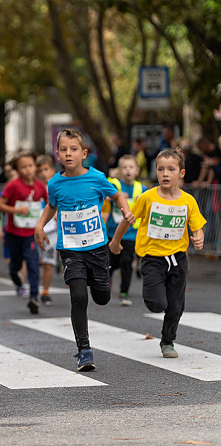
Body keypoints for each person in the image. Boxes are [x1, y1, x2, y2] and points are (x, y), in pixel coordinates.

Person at [35, 128, 135, 372]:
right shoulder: (55, 183)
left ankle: (96, 278)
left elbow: (116, 194)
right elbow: (51, 205)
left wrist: (124, 209)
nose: (68, 154)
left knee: (101, 297)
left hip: (97, 247)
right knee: (78, 297)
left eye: (74, 149)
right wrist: (40, 225)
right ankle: (84, 350)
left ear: (84, 153)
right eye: (64, 150)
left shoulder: (97, 177)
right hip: (70, 249)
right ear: (57, 154)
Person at [109, 149, 206, 359]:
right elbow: (127, 219)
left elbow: (197, 225)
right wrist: (115, 242)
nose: (165, 173)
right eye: (160, 169)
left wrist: (198, 236)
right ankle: (154, 295)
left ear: (181, 173)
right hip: (152, 258)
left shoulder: (188, 201)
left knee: (176, 306)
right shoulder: (148, 197)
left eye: (171, 169)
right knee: (157, 304)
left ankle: (168, 341)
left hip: (178, 258)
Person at [0, 152, 47, 314]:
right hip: (13, 232)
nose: (28, 170)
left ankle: (34, 297)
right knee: (16, 263)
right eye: (23, 167)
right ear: (17, 170)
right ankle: (14, 272)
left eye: (30, 166)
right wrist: (16, 210)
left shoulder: (39, 186)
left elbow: (50, 204)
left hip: (31, 233)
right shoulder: (13, 186)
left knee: (33, 263)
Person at [102, 155, 146, 306]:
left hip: (132, 234)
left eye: (131, 167)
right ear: (120, 170)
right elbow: (103, 194)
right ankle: (106, 286)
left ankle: (124, 293)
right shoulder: (114, 184)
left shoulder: (142, 188)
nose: (128, 170)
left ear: (137, 170)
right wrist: (115, 197)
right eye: (125, 167)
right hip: (112, 233)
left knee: (127, 262)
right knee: (110, 263)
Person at [35, 155, 58, 306]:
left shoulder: (57, 186)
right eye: (40, 171)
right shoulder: (35, 188)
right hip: (37, 230)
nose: (43, 173)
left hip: (54, 230)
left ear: (52, 170)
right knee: (39, 262)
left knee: (48, 262)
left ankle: (45, 291)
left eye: (46, 169)